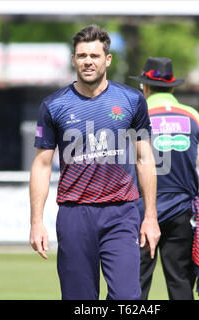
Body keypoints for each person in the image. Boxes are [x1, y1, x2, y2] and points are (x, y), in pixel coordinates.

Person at [29, 25, 160, 300]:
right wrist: (36, 221)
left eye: (94, 55)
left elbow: (144, 157)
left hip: (122, 213)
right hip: (74, 215)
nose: (88, 61)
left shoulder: (132, 100)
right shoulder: (54, 105)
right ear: (74, 60)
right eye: (82, 55)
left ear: (107, 59)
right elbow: (42, 165)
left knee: (128, 298)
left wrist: (150, 217)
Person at [130, 57, 199, 300]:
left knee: (135, 286)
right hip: (183, 210)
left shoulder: (137, 112)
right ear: (172, 87)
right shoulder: (192, 116)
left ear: (145, 87)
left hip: (142, 209)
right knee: (181, 283)